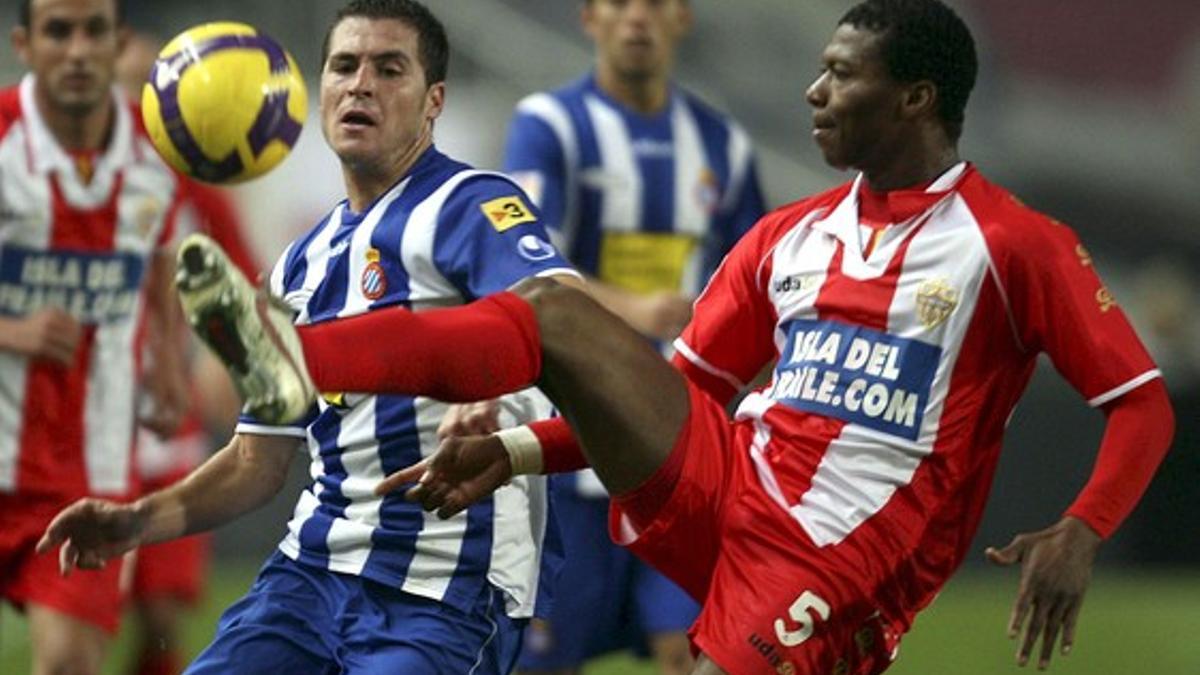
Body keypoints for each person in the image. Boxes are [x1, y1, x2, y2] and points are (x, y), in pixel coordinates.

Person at [49, 1, 1177, 673]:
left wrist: (1083, 526)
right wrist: (529, 446)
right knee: (560, 331)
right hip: (720, 480)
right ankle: (299, 361)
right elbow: (673, 383)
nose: (813, 89)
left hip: (835, 558)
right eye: (342, 64)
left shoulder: (1008, 243)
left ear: (919, 97)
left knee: (550, 316)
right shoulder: (789, 237)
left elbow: (1141, 400)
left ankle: (302, 360)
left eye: (842, 73)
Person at [38, 0, 581, 673]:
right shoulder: (299, 264)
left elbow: (561, 305)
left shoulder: (471, 205)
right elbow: (254, 462)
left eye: (389, 69)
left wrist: (504, 377)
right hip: (308, 580)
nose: (361, 85)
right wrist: (136, 520)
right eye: (344, 67)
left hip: (443, 591)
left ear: (433, 100)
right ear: (318, 91)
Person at [495, 0, 765, 672]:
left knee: (692, 650)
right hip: (569, 452)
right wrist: (631, 308)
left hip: (685, 450)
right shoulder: (549, 125)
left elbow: (764, 282)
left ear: (684, 18)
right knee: (543, 659)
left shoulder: (722, 145)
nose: (637, 18)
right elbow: (522, 267)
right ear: (590, 18)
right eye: (619, 3)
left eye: (656, 3)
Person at [0, 0, 189, 673]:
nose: (76, 50)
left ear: (119, 42)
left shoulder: (158, 151)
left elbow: (162, 254)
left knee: (69, 665)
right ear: (25, 43)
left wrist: (169, 355)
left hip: (88, 472)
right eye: (58, 31)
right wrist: (10, 329)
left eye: (92, 31)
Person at [115, 31, 261, 675]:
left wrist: (225, 358)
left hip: (162, 417)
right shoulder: (50, 174)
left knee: (164, 616)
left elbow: (246, 281)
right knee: (75, 607)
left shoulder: (187, 179)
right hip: (66, 419)